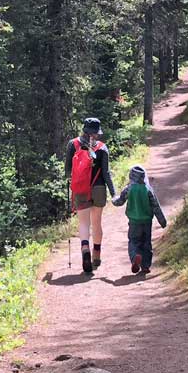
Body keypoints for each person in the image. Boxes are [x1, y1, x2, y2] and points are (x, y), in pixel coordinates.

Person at [65, 117, 116, 274]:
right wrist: (114, 193)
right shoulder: (102, 147)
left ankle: (85, 248)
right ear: (97, 132)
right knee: (97, 222)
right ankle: (96, 254)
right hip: (99, 187)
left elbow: (67, 171)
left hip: (81, 188)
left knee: (84, 223)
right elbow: (106, 173)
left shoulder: (73, 144)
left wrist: (73, 180)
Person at [112, 165, 167, 275]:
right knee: (147, 243)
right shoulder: (148, 189)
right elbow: (156, 207)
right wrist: (162, 221)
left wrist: (113, 199)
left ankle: (135, 257)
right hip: (147, 222)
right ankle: (145, 266)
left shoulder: (129, 188)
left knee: (134, 242)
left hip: (134, 222)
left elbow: (119, 201)